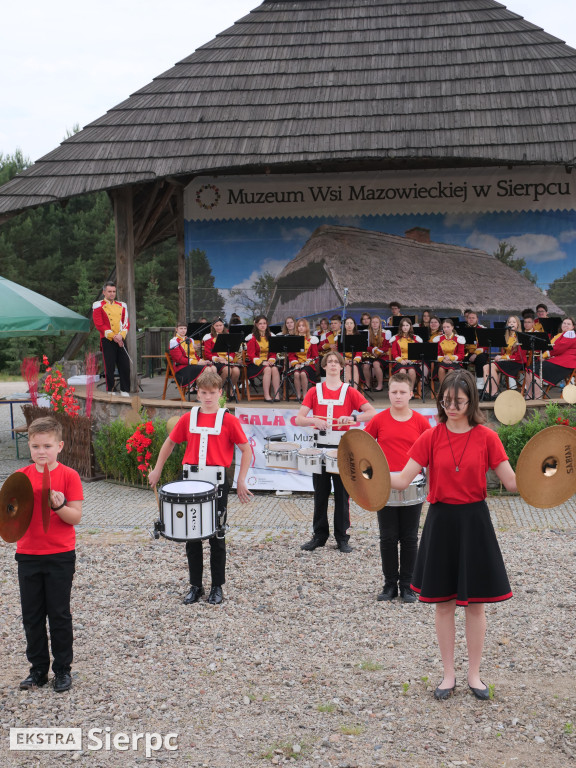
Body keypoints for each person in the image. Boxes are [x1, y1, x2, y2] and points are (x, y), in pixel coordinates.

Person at [391, 370, 516, 700]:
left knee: (475, 605)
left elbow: (514, 482)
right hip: (442, 521)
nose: (451, 407)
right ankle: (449, 675)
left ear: (471, 401)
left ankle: (474, 675)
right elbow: (403, 479)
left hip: (475, 523)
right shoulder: (431, 436)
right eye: (446, 401)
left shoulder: (487, 437)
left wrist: (554, 476)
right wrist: (363, 473)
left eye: (458, 401)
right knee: (443, 604)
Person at [148, 369, 253, 605]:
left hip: (217, 484)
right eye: (203, 392)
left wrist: (241, 480)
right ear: (197, 394)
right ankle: (195, 585)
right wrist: (157, 469)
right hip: (191, 483)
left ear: (220, 394)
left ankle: (217, 587)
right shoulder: (188, 419)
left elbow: (246, 450)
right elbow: (170, 443)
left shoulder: (228, 420)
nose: (207, 397)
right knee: (191, 535)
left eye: (212, 393)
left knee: (217, 535)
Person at [15, 416, 83, 693]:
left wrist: (58, 506)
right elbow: (11, 518)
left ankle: (63, 670)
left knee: (58, 614)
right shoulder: (20, 477)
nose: (41, 452)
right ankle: (38, 669)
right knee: (31, 615)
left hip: (60, 554)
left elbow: (75, 517)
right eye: (35, 446)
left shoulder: (69, 476)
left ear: (60, 446)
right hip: (28, 554)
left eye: (47, 445)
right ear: (29, 447)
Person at [295, 351, 376, 553]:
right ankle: (319, 536)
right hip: (320, 447)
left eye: (336, 362)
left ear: (342, 367)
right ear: (324, 366)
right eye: (329, 362)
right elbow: (299, 419)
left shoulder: (349, 391)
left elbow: (371, 413)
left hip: (343, 447)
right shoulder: (314, 391)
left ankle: (342, 537)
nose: (332, 365)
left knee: (342, 494)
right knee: (320, 493)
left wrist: (352, 419)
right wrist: (314, 420)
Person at [364, 373, 432, 602]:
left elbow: (431, 455)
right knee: (388, 537)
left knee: (410, 537)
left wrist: (431, 484)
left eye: (403, 392)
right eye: (394, 392)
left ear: (411, 394)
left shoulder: (421, 422)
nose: (398, 396)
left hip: (413, 486)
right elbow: (363, 447)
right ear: (389, 393)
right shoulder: (379, 420)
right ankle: (389, 585)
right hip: (385, 486)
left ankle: (408, 585)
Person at [92, 281, 130, 396]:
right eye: (109, 291)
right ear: (104, 292)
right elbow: (99, 324)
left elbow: (126, 322)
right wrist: (113, 336)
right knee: (109, 366)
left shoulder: (122, 305)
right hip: (107, 340)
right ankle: (111, 389)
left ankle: (124, 390)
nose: (112, 294)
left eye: (114, 291)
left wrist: (121, 335)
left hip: (120, 338)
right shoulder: (98, 305)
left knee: (125, 365)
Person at [524, 317, 576, 397]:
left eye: (568, 324)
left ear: (573, 327)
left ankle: (537, 396)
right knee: (529, 370)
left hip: (564, 364)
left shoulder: (570, 334)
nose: (565, 325)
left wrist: (545, 355)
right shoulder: (562, 335)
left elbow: (558, 348)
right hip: (557, 361)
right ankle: (529, 395)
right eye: (564, 323)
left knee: (534, 371)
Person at [488, 315, 527, 395]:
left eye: (514, 322)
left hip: (517, 362)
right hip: (507, 361)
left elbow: (518, 357)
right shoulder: (506, 337)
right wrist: (501, 358)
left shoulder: (521, 336)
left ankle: (494, 392)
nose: (511, 324)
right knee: (486, 367)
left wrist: (502, 357)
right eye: (509, 322)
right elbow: (504, 353)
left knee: (491, 366)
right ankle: (488, 391)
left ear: (518, 324)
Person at [246, 315, 281, 401]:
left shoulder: (270, 337)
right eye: (260, 323)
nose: (262, 325)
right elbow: (251, 355)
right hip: (255, 364)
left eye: (264, 323)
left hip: (267, 362)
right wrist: (262, 362)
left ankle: (276, 395)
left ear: (267, 324)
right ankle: (266, 395)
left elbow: (273, 353)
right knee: (268, 369)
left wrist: (271, 360)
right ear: (256, 325)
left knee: (275, 369)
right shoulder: (252, 338)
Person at [203, 319, 242, 393]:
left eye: (220, 325)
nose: (219, 327)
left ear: (223, 326)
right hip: (216, 362)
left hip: (227, 361)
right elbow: (207, 354)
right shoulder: (209, 337)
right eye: (216, 326)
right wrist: (218, 359)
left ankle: (230, 389)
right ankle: (218, 390)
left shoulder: (228, 336)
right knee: (228, 370)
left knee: (236, 371)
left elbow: (232, 351)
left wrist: (227, 359)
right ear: (213, 326)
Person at [169, 323, 212, 388]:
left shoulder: (190, 340)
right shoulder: (174, 341)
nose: (183, 330)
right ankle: (201, 391)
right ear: (176, 329)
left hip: (192, 365)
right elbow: (179, 359)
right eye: (181, 328)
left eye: (185, 328)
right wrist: (197, 363)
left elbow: (194, 355)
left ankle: (206, 391)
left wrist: (202, 361)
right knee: (207, 369)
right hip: (182, 368)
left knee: (213, 368)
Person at [288, 318, 319, 400]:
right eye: (299, 326)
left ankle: (305, 395)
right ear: (297, 328)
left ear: (307, 327)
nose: (301, 328)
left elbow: (315, 357)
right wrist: (296, 363)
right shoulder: (294, 340)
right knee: (296, 374)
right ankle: (298, 395)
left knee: (302, 374)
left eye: (303, 326)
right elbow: (291, 355)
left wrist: (309, 362)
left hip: (308, 365)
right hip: (297, 364)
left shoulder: (312, 340)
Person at [390, 317, 423, 390]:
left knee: (412, 371)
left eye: (407, 325)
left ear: (410, 326)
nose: (405, 327)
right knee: (402, 371)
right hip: (400, 362)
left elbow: (417, 353)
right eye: (403, 325)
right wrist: (401, 360)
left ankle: (410, 391)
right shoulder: (396, 338)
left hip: (412, 361)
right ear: (401, 327)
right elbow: (394, 353)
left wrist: (410, 360)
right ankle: (403, 390)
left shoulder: (415, 338)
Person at [362, 315, 391, 391]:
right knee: (365, 365)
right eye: (373, 322)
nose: (374, 324)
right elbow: (365, 346)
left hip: (383, 356)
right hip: (371, 355)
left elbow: (388, 347)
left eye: (376, 322)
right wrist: (373, 350)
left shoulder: (386, 333)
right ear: (370, 324)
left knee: (376, 363)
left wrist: (378, 351)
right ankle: (368, 384)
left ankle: (380, 385)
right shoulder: (366, 333)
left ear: (380, 324)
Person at [433, 318, 465, 387]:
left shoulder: (459, 339)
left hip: (455, 362)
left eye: (448, 327)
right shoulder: (439, 339)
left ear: (452, 327)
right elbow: (437, 354)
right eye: (444, 327)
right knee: (441, 369)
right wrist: (443, 359)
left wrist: (450, 358)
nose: (446, 329)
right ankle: (442, 389)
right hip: (443, 361)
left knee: (451, 370)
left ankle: (450, 389)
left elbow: (461, 355)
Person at [463, 311, 488, 389]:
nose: (471, 319)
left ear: (477, 319)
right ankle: (463, 382)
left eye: (473, 318)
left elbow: (485, 346)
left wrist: (475, 354)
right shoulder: (463, 329)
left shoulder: (482, 329)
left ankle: (480, 383)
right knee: (461, 359)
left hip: (479, 353)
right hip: (467, 352)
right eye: (469, 318)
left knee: (481, 359)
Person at [342, 317, 362, 385]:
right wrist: (346, 361)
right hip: (344, 361)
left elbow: (359, 352)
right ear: (344, 325)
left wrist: (355, 361)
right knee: (347, 367)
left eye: (351, 323)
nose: (349, 325)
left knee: (354, 367)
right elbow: (340, 352)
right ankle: (348, 391)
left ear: (354, 325)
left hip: (356, 361)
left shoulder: (358, 337)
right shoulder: (341, 337)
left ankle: (355, 391)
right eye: (347, 323)